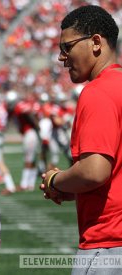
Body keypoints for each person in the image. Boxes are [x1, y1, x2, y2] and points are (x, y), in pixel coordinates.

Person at [40, 5, 122, 275]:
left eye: (68, 47)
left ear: (96, 42)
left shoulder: (98, 91)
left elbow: (94, 171)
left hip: (109, 242)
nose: (62, 58)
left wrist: (54, 180)